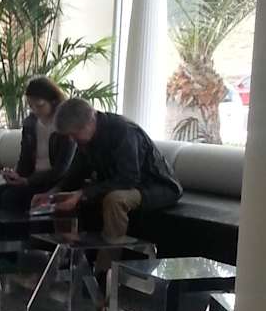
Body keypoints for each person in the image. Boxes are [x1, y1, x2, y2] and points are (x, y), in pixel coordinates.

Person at [52, 99, 182, 246]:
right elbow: (76, 173)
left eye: (74, 134)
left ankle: (109, 255)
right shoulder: (86, 140)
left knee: (114, 199)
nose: (71, 139)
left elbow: (128, 178)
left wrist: (83, 194)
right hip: (126, 183)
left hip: (156, 186)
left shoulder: (123, 131)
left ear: (90, 122)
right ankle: (68, 251)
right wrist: (54, 193)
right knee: (66, 198)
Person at [0, 77, 74, 220]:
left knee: (11, 197)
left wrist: (28, 181)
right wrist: (16, 175)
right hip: (32, 178)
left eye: (39, 105)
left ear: (53, 101)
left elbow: (61, 169)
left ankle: (17, 234)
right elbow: (25, 158)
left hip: (54, 182)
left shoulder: (64, 125)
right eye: (31, 105)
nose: (34, 110)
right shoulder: (31, 124)